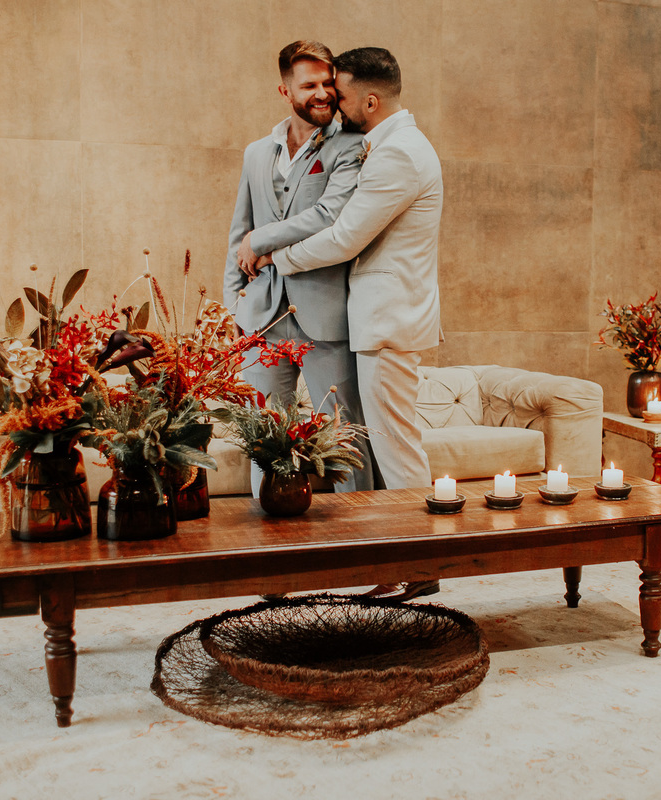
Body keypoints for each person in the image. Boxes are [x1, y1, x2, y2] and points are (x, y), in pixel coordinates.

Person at [263, 47, 443, 600]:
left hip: (388, 320)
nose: (331, 103)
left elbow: (345, 238)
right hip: (385, 318)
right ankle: (402, 563)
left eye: (339, 95)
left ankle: (421, 566)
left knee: (396, 447)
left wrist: (275, 258)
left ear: (369, 100)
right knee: (389, 444)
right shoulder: (391, 145)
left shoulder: (399, 154)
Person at [224, 40, 373, 495]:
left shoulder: (351, 146)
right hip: (262, 319)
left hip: (325, 318)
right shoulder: (256, 153)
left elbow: (330, 215)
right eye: (309, 85)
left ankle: (360, 527)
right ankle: (270, 530)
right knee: (264, 436)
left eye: (328, 83)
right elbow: (238, 232)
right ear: (285, 91)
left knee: (344, 436)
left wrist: (260, 241)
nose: (323, 93)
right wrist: (234, 308)